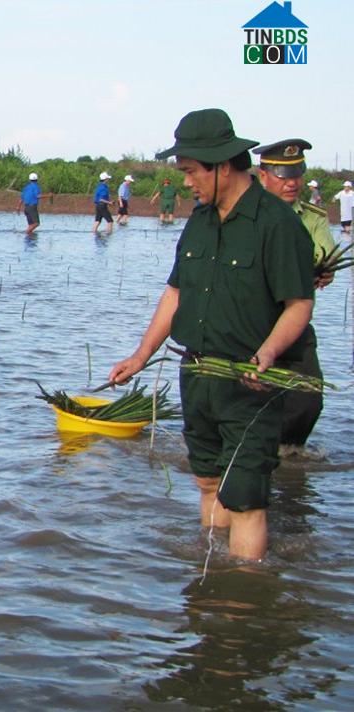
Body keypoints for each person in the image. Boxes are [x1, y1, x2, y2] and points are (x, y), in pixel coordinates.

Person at [108, 108, 314, 561]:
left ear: (222, 166)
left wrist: (268, 352)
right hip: (197, 374)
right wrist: (141, 355)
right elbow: (176, 292)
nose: (186, 182)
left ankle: (240, 603)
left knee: (245, 497)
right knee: (207, 482)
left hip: (248, 381)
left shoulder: (276, 225)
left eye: (189, 172)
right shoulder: (199, 221)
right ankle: (210, 586)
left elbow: (299, 304)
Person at [253, 139, 335, 451]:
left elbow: (324, 255)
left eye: (297, 174)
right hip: (251, 321)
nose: (293, 183)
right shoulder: (248, 213)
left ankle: (287, 461)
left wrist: (324, 270)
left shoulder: (312, 216)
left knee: (307, 400)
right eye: (284, 176)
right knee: (248, 395)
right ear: (263, 176)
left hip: (293, 318)